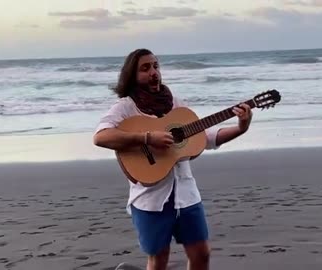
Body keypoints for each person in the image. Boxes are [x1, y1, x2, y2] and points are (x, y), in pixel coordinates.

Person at [93, 48, 253, 270]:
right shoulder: (126, 107)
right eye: (145, 68)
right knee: (159, 260)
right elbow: (101, 137)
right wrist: (147, 138)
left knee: (202, 254)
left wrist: (241, 127)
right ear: (132, 75)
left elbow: (203, 137)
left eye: (156, 66)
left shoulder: (175, 103)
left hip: (186, 194)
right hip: (151, 198)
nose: (153, 72)